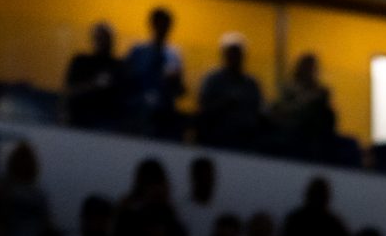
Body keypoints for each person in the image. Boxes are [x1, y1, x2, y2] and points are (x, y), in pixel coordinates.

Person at [122, 8, 184, 137]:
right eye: (159, 24)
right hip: (137, 113)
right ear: (152, 24)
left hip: (162, 116)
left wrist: (173, 81)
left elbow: (179, 90)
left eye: (165, 25)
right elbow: (126, 80)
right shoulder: (138, 51)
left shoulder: (174, 55)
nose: (162, 28)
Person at [197, 35, 263, 150]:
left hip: (244, 141)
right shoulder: (212, 80)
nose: (234, 57)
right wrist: (225, 103)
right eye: (231, 53)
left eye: (237, 54)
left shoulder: (251, 84)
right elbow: (203, 108)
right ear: (224, 55)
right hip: (215, 139)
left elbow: (257, 110)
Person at [62, 22, 124, 130]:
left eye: (106, 38)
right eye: (100, 38)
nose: (103, 42)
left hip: (107, 124)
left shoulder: (118, 67)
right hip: (79, 120)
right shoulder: (80, 61)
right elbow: (69, 91)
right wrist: (93, 84)